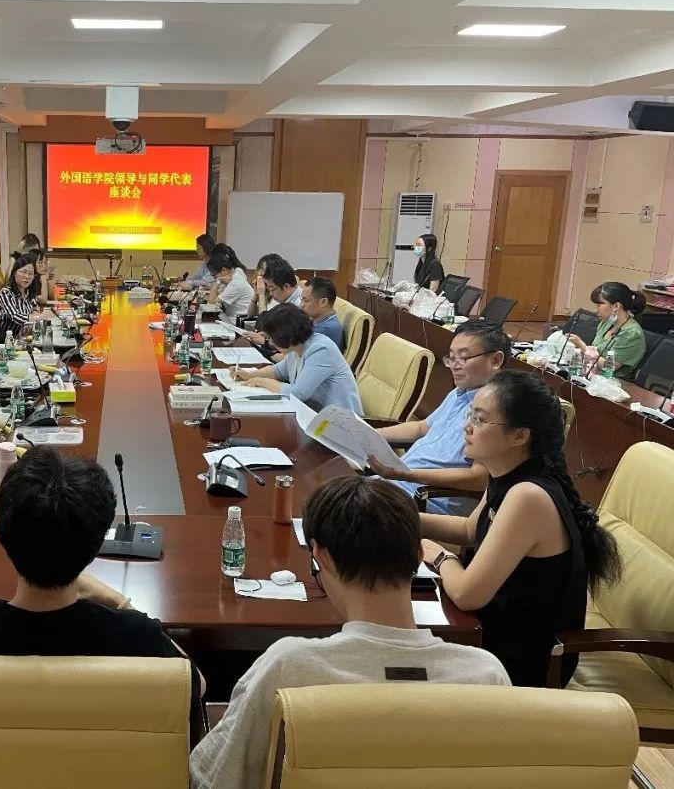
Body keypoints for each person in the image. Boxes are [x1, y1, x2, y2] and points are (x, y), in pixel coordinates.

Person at [189, 477, 509, 789]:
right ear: (418, 556)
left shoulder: (289, 667)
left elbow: (213, 778)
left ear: (321, 556)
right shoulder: (486, 676)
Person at [0, 447, 204, 728]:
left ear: (2, 532)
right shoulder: (138, 637)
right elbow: (196, 686)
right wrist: (117, 600)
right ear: (96, 543)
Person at [420, 370, 622, 687]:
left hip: (524, 664)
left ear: (519, 436)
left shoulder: (529, 496)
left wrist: (441, 556)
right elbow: (470, 529)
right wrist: (399, 516)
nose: (466, 427)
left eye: (480, 419)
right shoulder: (506, 473)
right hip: (491, 630)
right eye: (470, 415)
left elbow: (467, 595)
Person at [369, 320, 509, 513]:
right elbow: (422, 427)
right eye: (451, 358)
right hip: (397, 483)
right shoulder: (459, 392)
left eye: (463, 358)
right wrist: (370, 434)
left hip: (428, 498)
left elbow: (480, 478)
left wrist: (406, 474)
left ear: (495, 360)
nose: (454, 366)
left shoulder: (498, 409)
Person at [235, 303, 362, 414]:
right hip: (314, 414)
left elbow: (298, 393)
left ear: (285, 335)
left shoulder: (321, 349)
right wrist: (249, 375)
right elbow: (278, 371)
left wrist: (262, 382)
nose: (271, 342)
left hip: (340, 422)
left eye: (271, 338)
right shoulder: (297, 346)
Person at [566, 282, 647, 376]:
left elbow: (609, 367)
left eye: (599, 305)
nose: (595, 310)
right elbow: (595, 351)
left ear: (616, 306)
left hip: (612, 380)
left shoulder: (631, 334)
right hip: (591, 372)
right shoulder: (606, 323)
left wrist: (582, 347)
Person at [0, 254, 40, 335]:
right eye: (23, 272)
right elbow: (15, 317)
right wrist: (39, 317)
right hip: (7, 338)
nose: (27, 277)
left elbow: (35, 308)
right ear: (14, 273)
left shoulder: (29, 292)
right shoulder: (5, 293)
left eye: (31, 274)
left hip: (25, 336)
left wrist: (35, 314)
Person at [205, 250, 254, 324]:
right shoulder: (234, 275)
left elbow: (210, 305)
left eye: (214, 275)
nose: (214, 278)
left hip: (239, 322)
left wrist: (217, 282)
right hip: (231, 317)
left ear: (224, 270)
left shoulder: (235, 283)